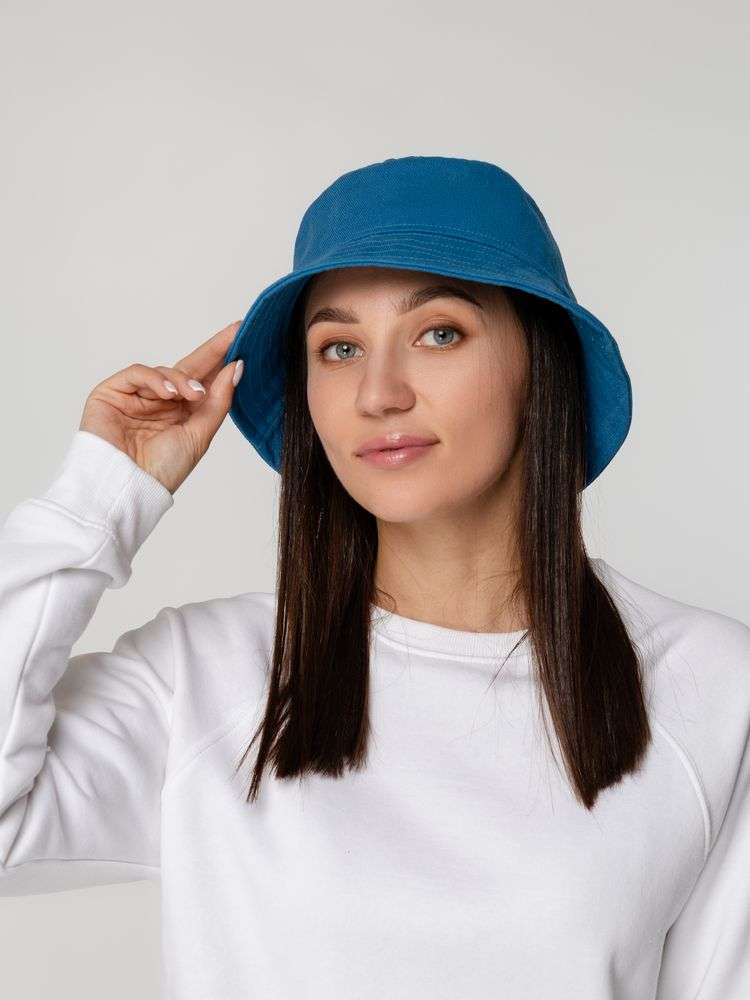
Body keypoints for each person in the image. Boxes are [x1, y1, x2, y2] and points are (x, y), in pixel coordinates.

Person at [1, 156, 748, 999]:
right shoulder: (203, 677)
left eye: (439, 334)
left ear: (541, 366)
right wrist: (98, 496)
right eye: (340, 348)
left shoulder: (711, 686)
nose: (378, 394)